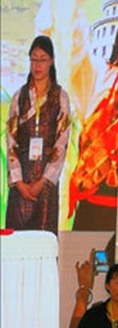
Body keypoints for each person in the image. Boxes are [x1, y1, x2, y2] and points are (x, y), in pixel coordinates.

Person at [5, 35, 70, 233]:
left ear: (51, 61)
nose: (37, 65)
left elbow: (62, 142)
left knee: (43, 240)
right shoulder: (19, 96)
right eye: (34, 59)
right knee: (17, 240)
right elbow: (11, 141)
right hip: (21, 179)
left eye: (42, 59)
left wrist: (43, 181)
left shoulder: (61, 97)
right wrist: (19, 182)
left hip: (46, 183)